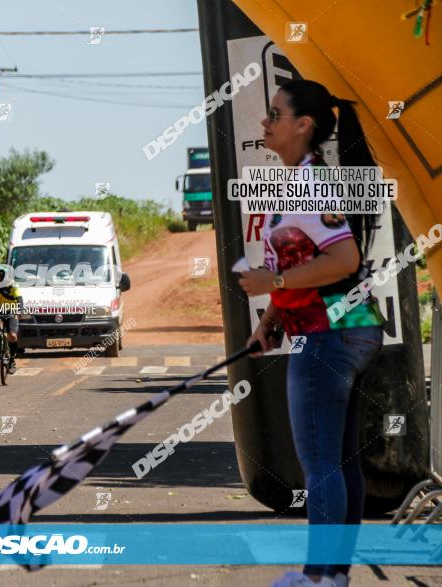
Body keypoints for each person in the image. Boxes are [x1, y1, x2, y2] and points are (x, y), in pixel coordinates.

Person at [238, 80, 384, 587]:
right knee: (339, 464)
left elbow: (345, 259)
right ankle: (332, 576)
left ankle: (321, 578)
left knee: (321, 465)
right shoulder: (299, 181)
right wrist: (268, 323)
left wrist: (272, 282)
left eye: (275, 114)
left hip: (332, 334)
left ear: (304, 126)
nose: (265, 122)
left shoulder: (309, 184)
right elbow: (306, 263)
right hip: (348, 330)